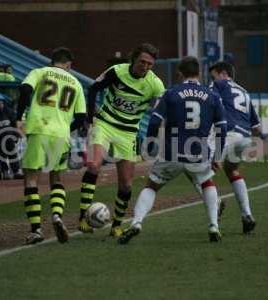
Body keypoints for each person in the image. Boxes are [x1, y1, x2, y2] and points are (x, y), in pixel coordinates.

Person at [118, 56, 227, 244]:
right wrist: (217, 155)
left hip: (172, 152)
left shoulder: (170, 93)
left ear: (179, 73)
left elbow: (153, 121)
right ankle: (213, 225)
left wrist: (150, 145)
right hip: (199, 153)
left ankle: (136, 223)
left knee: (152, 186)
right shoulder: (213, 96)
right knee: (207, 183)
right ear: (199, 73)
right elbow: (222, 128)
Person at [78, 43, 165, 237]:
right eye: (142, 62)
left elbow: (162, 108)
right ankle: (83, 217)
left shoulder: (155, 84)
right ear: (133, 59)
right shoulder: (117, 72)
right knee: (94, 165)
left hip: (128, 133)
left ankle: (116, 225)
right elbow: (93, 89)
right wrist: (90, 118)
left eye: (150, 64)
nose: (146, 66)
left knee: (126, 184)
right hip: (104, 124)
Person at [16, 47, 88, 245]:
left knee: (31, 178)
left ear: (52, 61)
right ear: (69, 65)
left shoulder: (39, 72)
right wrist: (66, 128)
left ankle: (36, 229)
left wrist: (18, 117)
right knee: (56, 178)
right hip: (61, 135)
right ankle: (57, 215)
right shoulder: (76, 83)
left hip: (39, 129)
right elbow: (82, 118)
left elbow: (25, 90)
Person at [208, 61, 261, 234]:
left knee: (199, 169)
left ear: (223, 73)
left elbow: (209, 104)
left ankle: (215, 204)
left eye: (213, 75)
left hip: (228, 134)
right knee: (232, 171)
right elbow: (257, 128)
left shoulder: (218, 84)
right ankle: (247, 215)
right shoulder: (244, 91)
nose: (212, 79)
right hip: (245, 137)